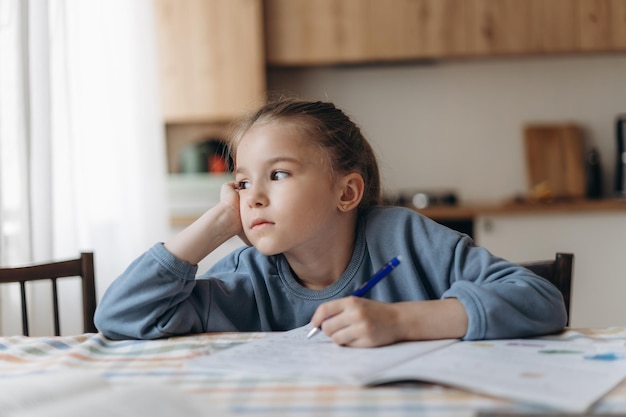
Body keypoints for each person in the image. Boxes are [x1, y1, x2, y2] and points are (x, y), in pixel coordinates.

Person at [94, 98, 567, 347]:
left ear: (347, 192)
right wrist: (218, 222)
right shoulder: (249, 276)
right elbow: (119, 317)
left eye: (277, 174)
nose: (252, 196)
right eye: (241, 183)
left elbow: (541, 300)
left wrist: (403, 321)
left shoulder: (405, 239)